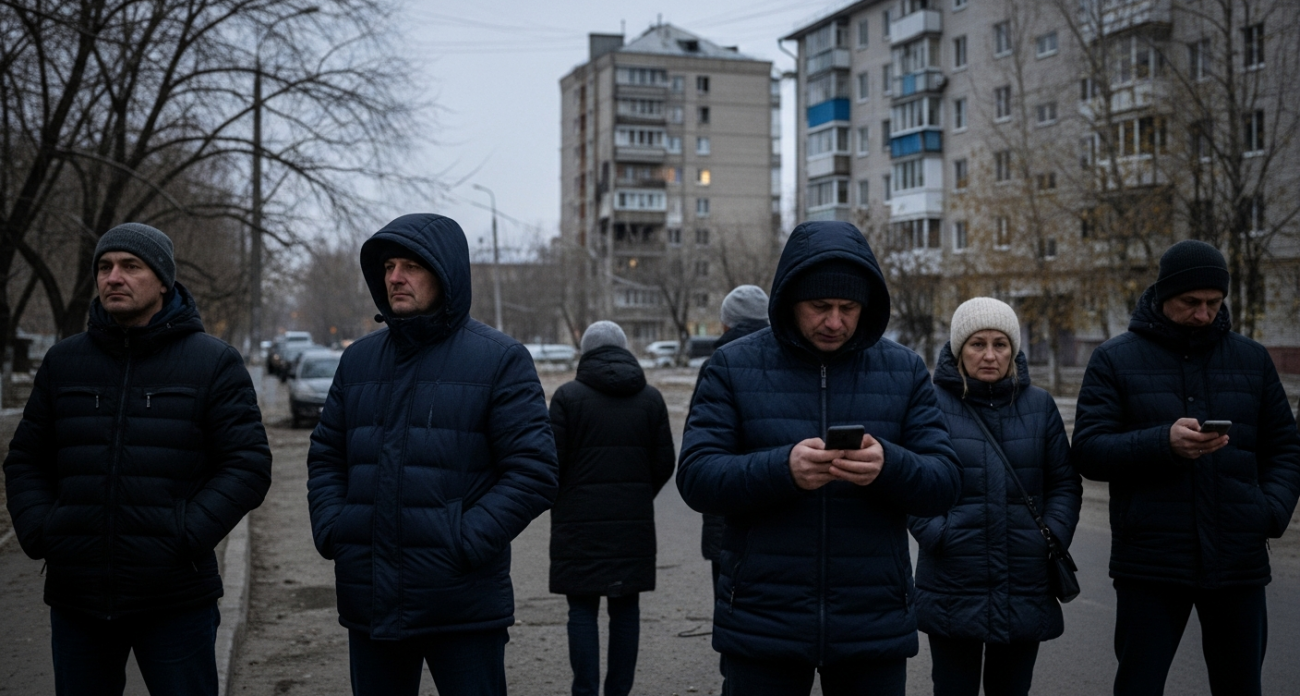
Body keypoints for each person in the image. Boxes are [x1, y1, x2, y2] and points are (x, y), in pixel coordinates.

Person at [677, 220, 961, 696]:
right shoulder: (732, 366)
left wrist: (887, 465)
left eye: (848, 308)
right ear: (790, 301)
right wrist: (782, 469)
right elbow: (697, 476)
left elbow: (945, 481)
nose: (835, 322)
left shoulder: (904, 369)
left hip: (872, 620)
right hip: (762, 619)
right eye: (820, 307)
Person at [3, 222, 272, 695]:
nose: (113, 277)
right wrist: (43, 530)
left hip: (175, 600)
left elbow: (247, 464)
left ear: (163, 280)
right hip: (78, 598)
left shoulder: (211, 362)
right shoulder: (65, 363)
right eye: (104, 267)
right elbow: (25, 459)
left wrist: (184, 533)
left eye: (131, 266)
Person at [306, 213, 559, 696]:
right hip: (371, 598)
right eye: (388, 267)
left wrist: (463, 540)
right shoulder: (359, 360)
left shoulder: (499, 359)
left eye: (410, 266)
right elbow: (326, 456)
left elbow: (534, 471)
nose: (395, 277)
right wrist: (336, 529)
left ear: (446, 274)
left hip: (461, 605)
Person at [1072, 239, 1300, 696]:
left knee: (1240, 686)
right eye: (1190, 303)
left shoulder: (1251, 360)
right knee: (1139, 684)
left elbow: (1286, 449)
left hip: (1238, 559)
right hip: (1151, 562)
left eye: (1214, 303)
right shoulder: (1115, 359)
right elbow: (1089, 451)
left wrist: (1269, 512)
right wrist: (1163, 442)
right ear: (1162, 296)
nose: (1203, 314)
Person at [909, 297, 1081, 696]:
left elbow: (1064, 483)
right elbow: (913, 481)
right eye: (977, 344)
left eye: (1000, 344)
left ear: (1013, 349)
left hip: (1025, 578)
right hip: (953, 578)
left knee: (1012, 689)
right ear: (958, 349)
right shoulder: (931, 406)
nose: (989, 355)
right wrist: (939, 534)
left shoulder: (1039, 407)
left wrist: (1051, 535)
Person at [547, 320, 676, 696]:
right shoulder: (650, 398)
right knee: (625, 608)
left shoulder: (567, 397)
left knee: (581, 608)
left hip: (577, 524)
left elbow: (550, 462)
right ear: (624, 350)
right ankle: (619, 691)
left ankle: (584, 691)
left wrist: (568, 499)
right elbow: (665, 462)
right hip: (632, 523)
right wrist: (638, 495)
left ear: (585, 352)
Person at [692, 284, 770, 587]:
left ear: (725, 323)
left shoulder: (715, 365)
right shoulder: (789, 361)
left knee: (727, 604)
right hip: (776, 506)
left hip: (724, 506)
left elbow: (697, 442)